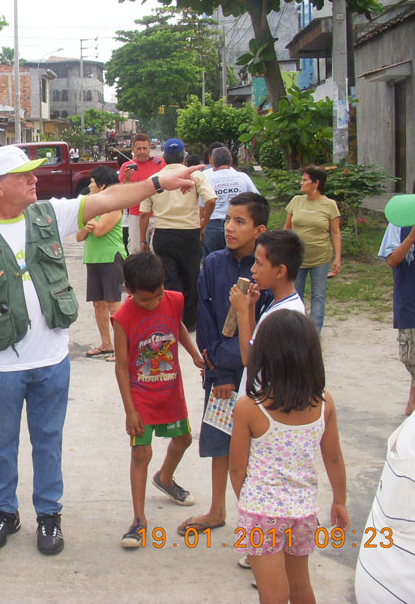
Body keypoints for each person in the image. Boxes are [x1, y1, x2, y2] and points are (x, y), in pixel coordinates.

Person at [0, 145, 202, 556]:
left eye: (33, 173)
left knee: (48, 440)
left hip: (51, 361)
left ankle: (49, 515)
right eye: (23, 175)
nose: (34, 180)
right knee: (1, 443)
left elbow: (108, 198)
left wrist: (156, 183)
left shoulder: (50, 214)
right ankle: (4, 511)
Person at [230, 310, 348, 604]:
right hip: (304, 512)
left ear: (264, 357)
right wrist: (340, 501)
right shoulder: (324, 403)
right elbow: (333, 458)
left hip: (261, 513)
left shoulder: (249, 408)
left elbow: (236, 468)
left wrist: (248, 505)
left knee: (272, 595)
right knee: (300, 586)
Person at [178, 193, 272, 537]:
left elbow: (261, 327)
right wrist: (216, 370)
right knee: (220, 442)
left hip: (253, 374)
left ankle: (256, 522)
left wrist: (233, 372)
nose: (229, 228)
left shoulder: (266, 271)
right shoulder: (214, 262)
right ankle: (217, 510)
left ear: (259, 229)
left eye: (240, 222)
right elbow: (204, 318)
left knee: (254, 450)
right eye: (228, 220)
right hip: (218, 370)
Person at [354, 183, 415, 604]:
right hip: (411, 311)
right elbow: (392, 262)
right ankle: (411, 411)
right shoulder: (406, 232)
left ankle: (411, 411)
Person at [111, 252, 205, 548]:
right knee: (141, 454)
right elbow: (122, 365)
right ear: (128, 291)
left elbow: (177, 326)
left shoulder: (174, 300)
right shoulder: (123, 317)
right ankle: (139, 521)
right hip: (141, 397)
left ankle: (165, 477)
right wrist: (129, 410)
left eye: (157, 296)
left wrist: (194, 354)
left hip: (170, 391)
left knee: (185, 439)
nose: (152, 304)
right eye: (144, 300)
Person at [139, 137, 217, 330]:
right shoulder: (195, 176)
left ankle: (174, 320)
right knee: (191, 276)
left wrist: (143, 241)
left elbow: (143, 214)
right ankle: (190, 322)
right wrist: (203, 224)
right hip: (189, 234)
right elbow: (211, 200)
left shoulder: (154, 180)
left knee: (170, 280)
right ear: (183, 156)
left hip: (164, 235)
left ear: (164, 156)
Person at [377, 174, 415, 415]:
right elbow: (391, 260)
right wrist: (412, 236)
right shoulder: (400, 224)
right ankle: (414, 403)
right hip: (410, 302)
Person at [231, 230, 306, 370]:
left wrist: (241, 311)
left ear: (280, 271)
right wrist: (250, 307)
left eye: (259, 263)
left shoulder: (286, 315)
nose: (253, 269)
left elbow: (249, 359)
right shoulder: (278, 302)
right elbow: (256, 342)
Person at [283, 165, 342, 334]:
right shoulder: (296, 201)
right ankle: (298, 329)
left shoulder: (329, 205)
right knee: (296, 293)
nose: (301, 183)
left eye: (305, 180)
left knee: (318, 295)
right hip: (297, 258)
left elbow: (336, 232)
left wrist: (338, 258)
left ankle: (314, 332)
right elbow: (287, 228)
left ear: (316, 183)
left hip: (321, 258)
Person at [76, 166, 125, 360]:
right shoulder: (91, 207)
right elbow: (80, 235)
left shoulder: (114, 206)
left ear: (102, 185)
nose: (89, 185)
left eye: (92, 182)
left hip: (110, 257)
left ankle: (123, 348)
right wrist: (88, 226)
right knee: (98, 303)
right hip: (93, 258)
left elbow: (99, 230)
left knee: (114, 304)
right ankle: (106, 344)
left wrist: (90, 225)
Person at [201, 147, 260, 258]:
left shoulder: (206, 178)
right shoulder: (242, 177)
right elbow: (257, 200)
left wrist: (201, 228)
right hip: (239, 224)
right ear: (231, 161)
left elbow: (200, 205)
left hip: (213, 225)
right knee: (238, 260)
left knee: (212, 263)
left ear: (212, 162)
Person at [118, 133, 163, 253]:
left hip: (158, 214)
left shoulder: (160, 163)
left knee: (157, 251)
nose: (142, 151)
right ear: (133, 149)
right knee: (136, 250)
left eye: (145, 148)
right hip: (136, 214)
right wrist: (127, 179)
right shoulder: (126, 167)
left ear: (150, 148)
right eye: (139, 148)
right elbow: (121, 193)